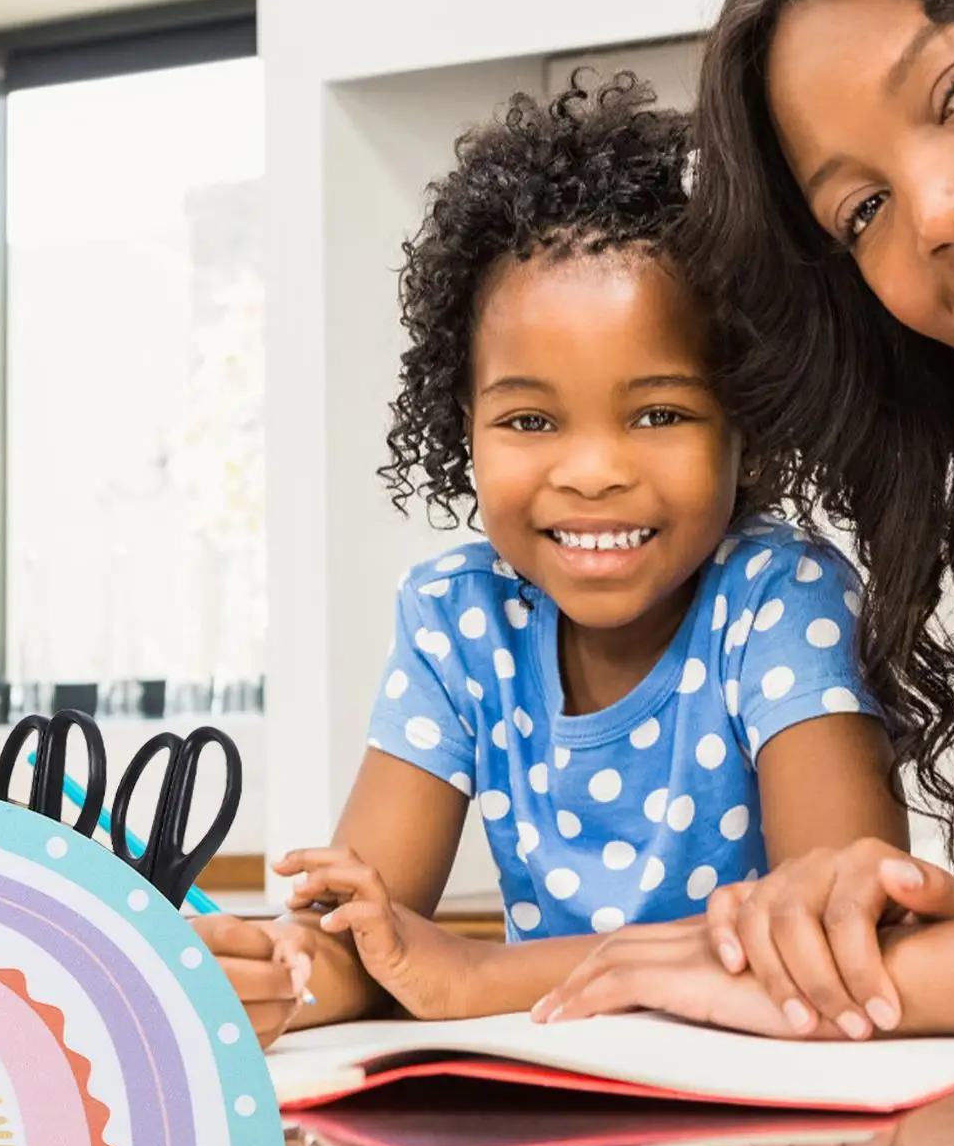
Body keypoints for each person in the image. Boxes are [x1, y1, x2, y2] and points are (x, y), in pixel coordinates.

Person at [198, 74, 906, 1045]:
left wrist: (476, 973)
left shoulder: (778, 601)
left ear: (751, 427)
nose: (592, 473)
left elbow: (831, 934)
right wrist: (279, 973)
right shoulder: (458, 620)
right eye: (529, 420)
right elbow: (365, 944)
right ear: (466, 431)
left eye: (658, 414)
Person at [538, 0, 954, 1041]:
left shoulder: (774, 598)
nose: (938, 207)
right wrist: (869, 926)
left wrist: (799, 981)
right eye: (861, 211)